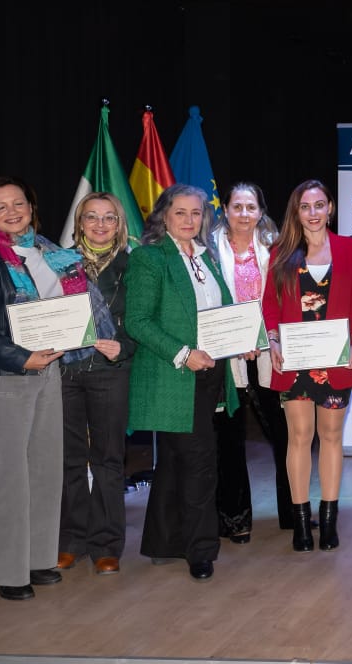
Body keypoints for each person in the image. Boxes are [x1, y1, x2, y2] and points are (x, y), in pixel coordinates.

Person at [0, 176, 95, 598]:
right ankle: (4, 573)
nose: (12, 211)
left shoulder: (51, 254)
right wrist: (22, 357)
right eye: (1, 207)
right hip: (5, 379)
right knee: (9, 477)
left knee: (45, 472)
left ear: (32, 208)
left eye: (19, 203)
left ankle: (37, 560)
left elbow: (69, 309)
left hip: (47, 372)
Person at [125, 183, 239, 581]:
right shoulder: (149, 258)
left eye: (196, 213)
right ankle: (201, 549)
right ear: (163, 216)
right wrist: (183, 354)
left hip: (209, 374)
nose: (190, 220)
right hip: (172, 375)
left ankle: (164, 541)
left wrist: (244, 341)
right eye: (180, 213)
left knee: (175, 462)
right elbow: (137, 321)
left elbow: (222, 313)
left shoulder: (208, 258)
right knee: (200, 462)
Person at [263, 179, 352, 553]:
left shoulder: (349, 249)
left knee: (332, 436)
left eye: (319, 205)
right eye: (305, 207)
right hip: (295, 360)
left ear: (330, 208)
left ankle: (329, 519)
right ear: (297, 212)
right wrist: (272, 339)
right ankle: (301, 522)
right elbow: (270, 305)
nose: (313, 213)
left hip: (336, 360)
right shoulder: (281, 251)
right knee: (300, 437)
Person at [57, 192, 136, 576]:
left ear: (119, 224)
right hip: (65, 372)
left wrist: (123, 346)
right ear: (79, 223)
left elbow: (143, 320)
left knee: (108, 459)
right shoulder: (58, 264)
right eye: (92, 217)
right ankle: (71, 541)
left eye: (109, 218)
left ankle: (106, 545)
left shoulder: (133, 265)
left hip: (110, 370)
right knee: (70, 459)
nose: (100, 225)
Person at [208, 182, 286, 543]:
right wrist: (234, 340)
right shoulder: (207, 250)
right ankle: (234, 518)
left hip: (271, 353)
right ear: (225, 209)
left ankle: (293, 511)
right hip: (226, 356)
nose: (243, 214)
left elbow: (284, 300)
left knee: (285, 435)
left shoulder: (277, 250)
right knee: (229, 438)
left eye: (250, 207)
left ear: (260, 211)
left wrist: (264, 337)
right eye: (237, 207)